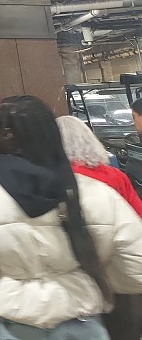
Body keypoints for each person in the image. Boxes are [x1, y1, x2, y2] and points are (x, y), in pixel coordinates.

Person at [0, 95, 142, 340]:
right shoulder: (96, 192)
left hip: (16, 328)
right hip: (85, 327)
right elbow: (136, 265)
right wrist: (91, 280)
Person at [58, 115, 142, 340]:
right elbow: (138, 218)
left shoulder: (52, 183)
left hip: (74, 282)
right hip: (119, 277)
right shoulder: (116, 176)